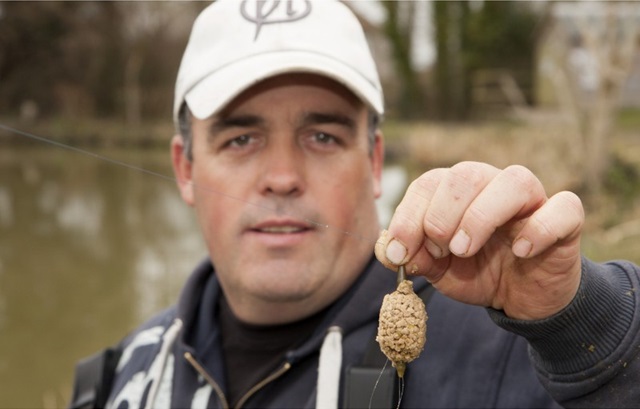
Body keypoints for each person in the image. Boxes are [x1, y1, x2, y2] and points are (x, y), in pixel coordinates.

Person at [69, 1, 640, 408]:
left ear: (373, 162)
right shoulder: (120, 379)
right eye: (241, 139)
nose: (282, 178)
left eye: (323, 136)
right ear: (185, 168)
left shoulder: (509, 356)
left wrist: (583, 325)